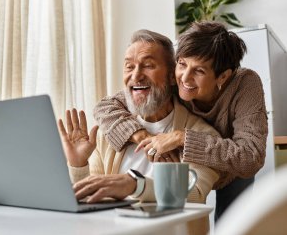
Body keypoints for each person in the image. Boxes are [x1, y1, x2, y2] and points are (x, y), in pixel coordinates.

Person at [93, 21, 268, 220]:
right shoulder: (173, 79)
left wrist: (181, 138)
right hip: (197, 152)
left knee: (233, 224)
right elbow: (105, 106)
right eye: (182, 64)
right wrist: (144, 136)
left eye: (199, 71)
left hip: (232, 167)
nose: (185, 78)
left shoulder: (245, 85)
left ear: (223, 76)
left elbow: (250, 157)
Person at [57, 29, 220, 205]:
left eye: (148, 65)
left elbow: (194, 193)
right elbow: (92, 197)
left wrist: (135, 185)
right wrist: (78, 165)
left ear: (173, 76)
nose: (136, 76)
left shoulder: (201, 136)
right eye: (129, 66)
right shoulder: (109, 133)